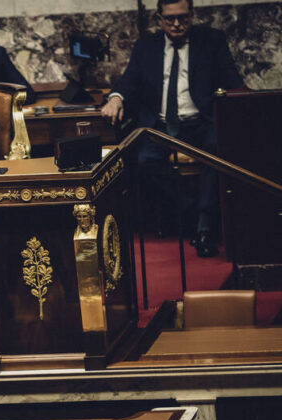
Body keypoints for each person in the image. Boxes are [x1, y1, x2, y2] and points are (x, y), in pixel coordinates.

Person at [100, 0, 243, 257]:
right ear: (159, 18)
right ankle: (196, 213)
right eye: (170, 19)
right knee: (143, 161)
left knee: (216, 150)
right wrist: (116, 98)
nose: (176, 24)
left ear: (191, 15)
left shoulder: (211, 40)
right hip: (162, 125)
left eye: (183, 18)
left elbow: (232, 79)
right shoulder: (147, 46)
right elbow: (129, 79)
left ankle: (204, 228)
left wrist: (245, 101)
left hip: (201, 122)